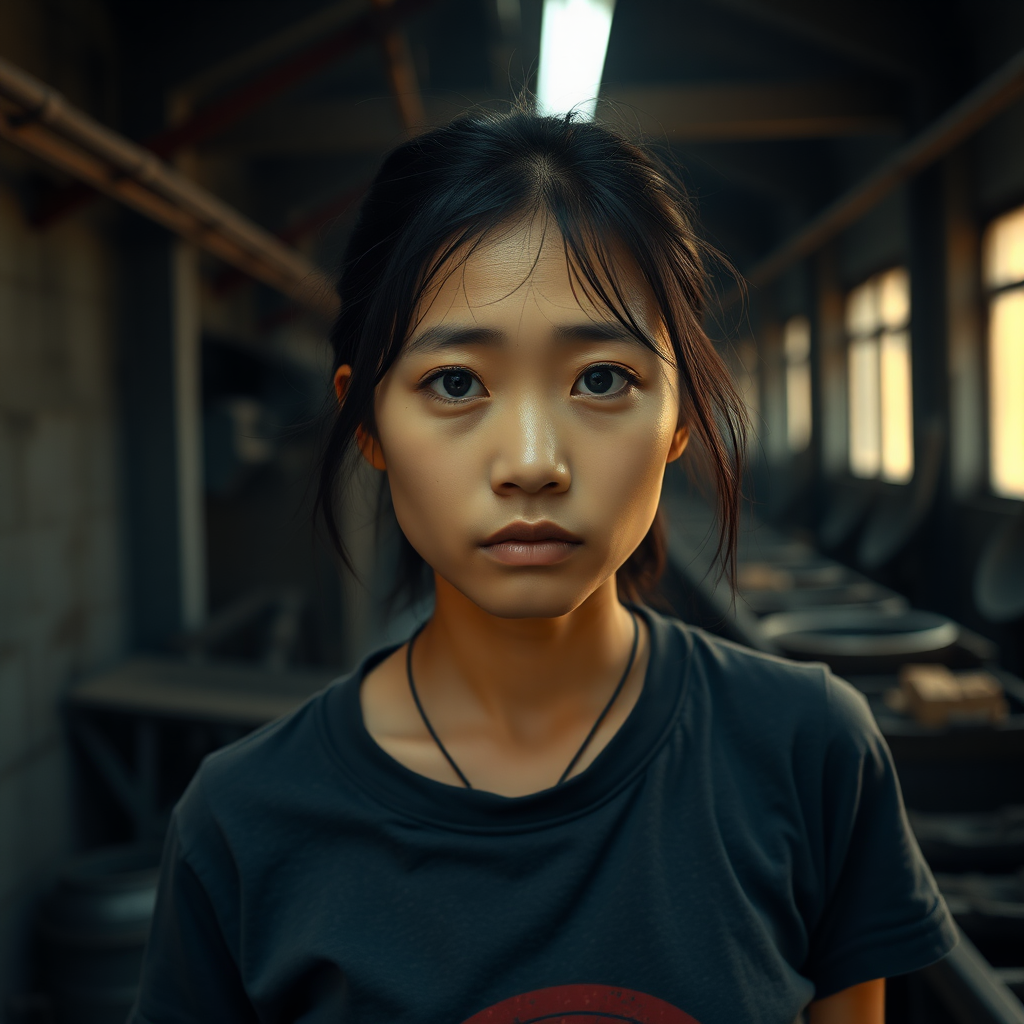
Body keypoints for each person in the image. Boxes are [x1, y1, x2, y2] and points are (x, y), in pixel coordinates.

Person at [130, 109, 956, 1024]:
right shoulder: (245, 827)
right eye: (455, 383)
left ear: (681, 415)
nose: (532, 460)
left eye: (602, 378)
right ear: (366, 420)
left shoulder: (809, 752)